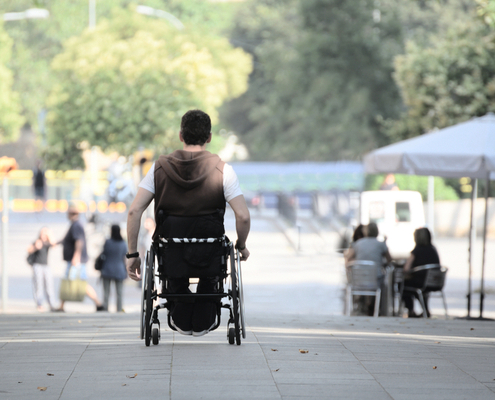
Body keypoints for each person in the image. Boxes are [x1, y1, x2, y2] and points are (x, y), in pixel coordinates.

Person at [126, 109, 251, 337]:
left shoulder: (159, 169)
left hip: (171, 252)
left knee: (174, 271)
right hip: (210, 252)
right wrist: (241, 245)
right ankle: (208, 296)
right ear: (209, 137)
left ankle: (178, 300)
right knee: (211, 269)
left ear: (181, 135)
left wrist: (132, 254)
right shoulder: (224, 171)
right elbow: (243, 216)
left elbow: (134, 211)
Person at [58, 205, 104, 312]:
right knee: (70, 281)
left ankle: (98, 303)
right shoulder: (75, 225)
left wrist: (76, 256)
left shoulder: (76, 225)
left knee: (78, 282)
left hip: (76, 260)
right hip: (76, 259)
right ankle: (61, 305)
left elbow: (79, 241)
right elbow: (66, 240)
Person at [346, 222, 392, 315]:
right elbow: (389, 259)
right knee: (384, 282)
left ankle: (361, 306)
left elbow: (348, 258)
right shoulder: (381, 244)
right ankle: (378, 309)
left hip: (359, 278)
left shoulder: (358, 244)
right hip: (375, 279)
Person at [402, 227, 440, 318]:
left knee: (403, 285)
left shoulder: (417, 250)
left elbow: (406, 269)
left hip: (420, 282)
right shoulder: (433, 249)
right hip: (434, 282)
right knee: (417, 288)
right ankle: (425, 309)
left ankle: (410, 310)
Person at [27, 227, 58, 312]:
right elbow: (28, 250)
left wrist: (49, 234)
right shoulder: (37, 242)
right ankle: (39, 304)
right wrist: (36, 247)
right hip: (37, 265)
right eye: (42, 233)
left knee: (49, 285)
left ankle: (52, 304)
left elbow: (54, 244)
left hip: (46, 266)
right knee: (38, 285)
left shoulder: (47, 243)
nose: (43, 235)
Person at [99, 224, 128, 312]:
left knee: (106, 292)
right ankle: (119, 309)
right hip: (119, 270)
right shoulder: (123, 244)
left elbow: (104, 253)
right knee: (119, 293)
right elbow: (125, 258)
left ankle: (105, 308)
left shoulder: (108, 242)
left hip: (107, 269)